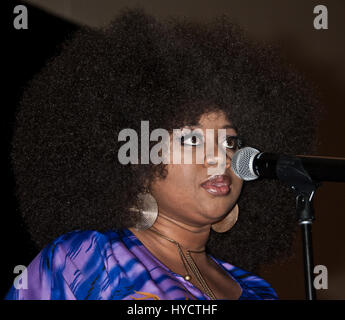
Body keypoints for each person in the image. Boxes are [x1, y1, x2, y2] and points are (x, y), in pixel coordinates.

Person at [5, 8, 320, 300]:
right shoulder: (85, 259)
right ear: (140, 161)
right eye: (192, 139)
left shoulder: (257, 291)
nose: (220, 158)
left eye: (231, 142)